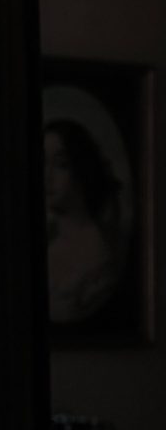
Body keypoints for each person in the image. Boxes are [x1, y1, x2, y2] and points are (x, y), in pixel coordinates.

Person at [44, 118, 126, 323]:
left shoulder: (97, 252)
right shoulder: (49, 238)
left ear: (81, 170)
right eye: (42, 163)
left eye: (61, 165)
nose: (46, 176)